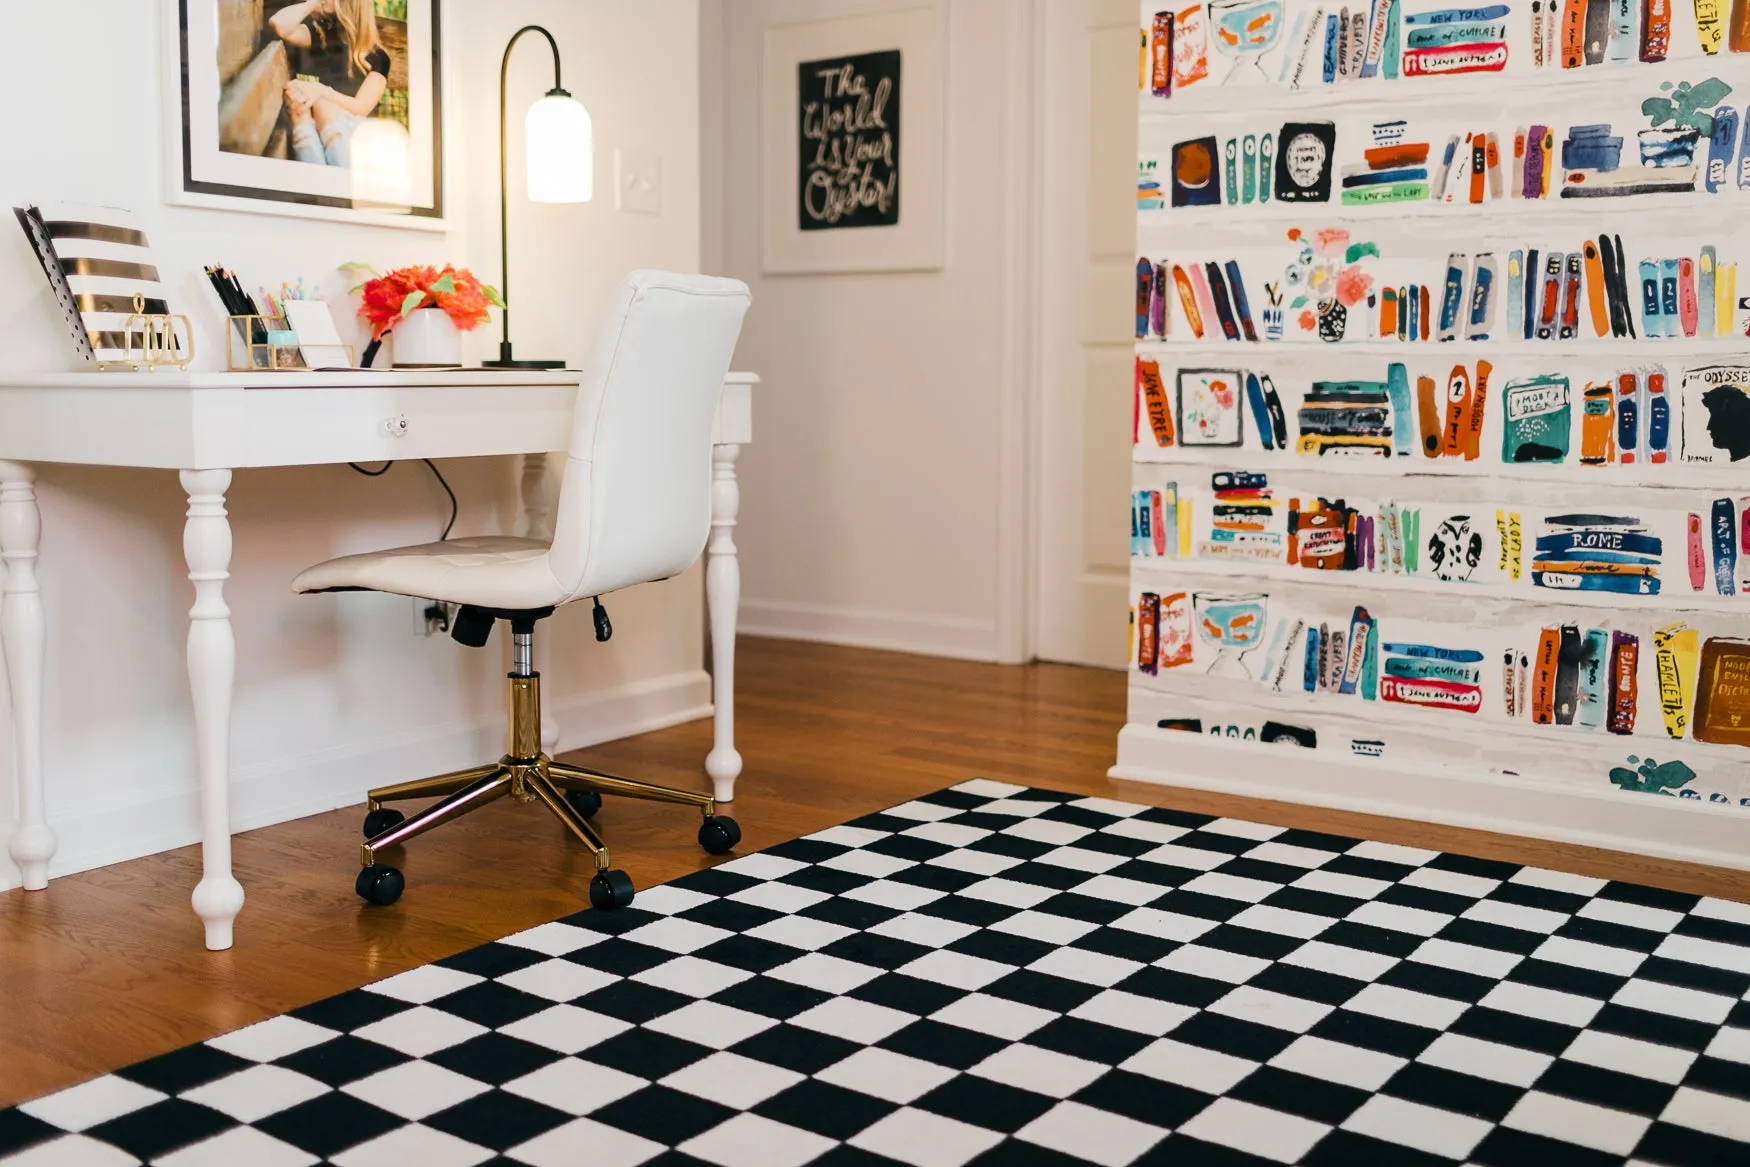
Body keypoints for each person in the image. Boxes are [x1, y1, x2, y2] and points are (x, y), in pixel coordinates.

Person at [267, 0, 391, 167]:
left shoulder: (378, 57)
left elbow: (361, 108)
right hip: (322, 124)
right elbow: (279, 24)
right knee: (302, 114)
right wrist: (312, 4)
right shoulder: (323, 37)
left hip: (355, 135)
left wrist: (320, 91)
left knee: (317, 110)